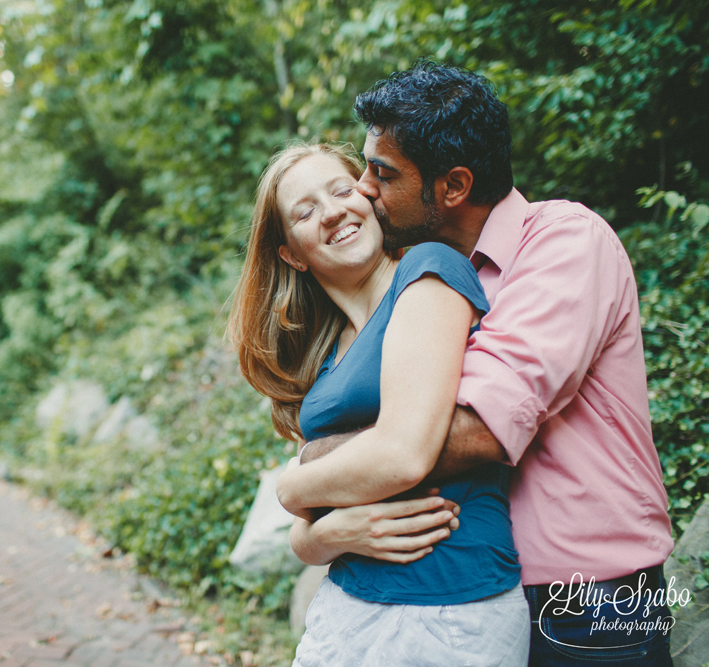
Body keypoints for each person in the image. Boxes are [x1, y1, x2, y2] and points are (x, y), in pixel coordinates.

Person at [280, 61, 675, 666]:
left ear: (454, 187)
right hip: (490, 590)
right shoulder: (420, 282)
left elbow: (479, 429)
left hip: (591, 594)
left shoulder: (565, 243)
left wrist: (312, 463)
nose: (363, 187)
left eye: (382, 173)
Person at [228, 141, 530, 665]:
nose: (333, 212)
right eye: (305, 211)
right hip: (345, 605)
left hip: (447, 604)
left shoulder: (428, 270)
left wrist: (291, 484)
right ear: (291, 253)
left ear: (369, 198)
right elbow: (304, 539)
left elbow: (404, 455)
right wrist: (338, 531)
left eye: (343, 190)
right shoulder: (326, 357)